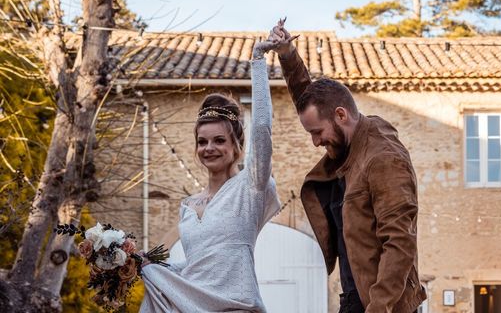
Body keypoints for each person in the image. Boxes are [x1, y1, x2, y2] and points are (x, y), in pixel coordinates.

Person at [269, 19, 427, 313]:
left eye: (317, 133)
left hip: (382, 304)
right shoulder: (346, 141)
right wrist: (288, 55)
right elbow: (312, 98)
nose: (316, 142)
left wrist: (379, 308)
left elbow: (400, 241)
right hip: (355, 296)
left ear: (341, 115)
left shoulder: (383, 159)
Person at [139, 40, 281, 313]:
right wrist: (151, 267)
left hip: (236, 307)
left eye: (218, 140)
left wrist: (258, 61)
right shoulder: (188, 207)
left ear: (236, 145)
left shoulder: (249, 188)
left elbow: (262, 127)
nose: (209, 148)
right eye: (202, 142)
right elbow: (197, 269)